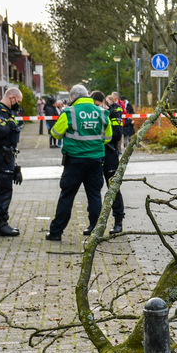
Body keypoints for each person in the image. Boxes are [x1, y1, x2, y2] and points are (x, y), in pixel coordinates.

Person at [46, 84, 112, 241]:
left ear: (72, 98)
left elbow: (56, 133)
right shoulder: (102, 112)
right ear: (88, 95)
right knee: (95, 195)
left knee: (67, 196)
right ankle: (96, 231)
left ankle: (56, 232)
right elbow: (108, 137)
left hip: (74, 161)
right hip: (95, 161)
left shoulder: (69, 112)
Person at [0, 88, 24, 236]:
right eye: (17, 102)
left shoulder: (5, 112)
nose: (17, 105)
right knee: (4, 189)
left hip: (4, 154)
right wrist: (13, 126)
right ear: (11, 97)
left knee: (5, 188)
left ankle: (1, 224)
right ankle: (1, 224)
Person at [91, 90, 126, 235]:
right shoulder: (92, 114)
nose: (96, 108)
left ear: (104, 102)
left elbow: (117, 134)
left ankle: (118, 221)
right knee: (94, 189)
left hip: (109, 153)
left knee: (113, 188)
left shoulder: (114, 112)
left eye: (98, 105)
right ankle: (95, 223)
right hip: (95, 154)